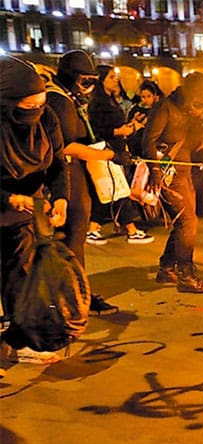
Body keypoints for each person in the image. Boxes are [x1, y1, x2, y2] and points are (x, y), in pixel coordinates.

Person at [46, 50, 127, 316]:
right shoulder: (58, 101)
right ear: (71, 77)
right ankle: (72, 298)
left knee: (76, 238)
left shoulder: (69, 98)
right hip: (66, 176)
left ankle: (78, 294)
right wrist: (108, 155)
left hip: (75, 175)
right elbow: (66, 146)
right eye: (85, 81)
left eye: (93, 80)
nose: (90, 87)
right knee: (72, 238)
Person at [0, 56, 70, 365]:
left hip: (30, 205)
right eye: (27, 107)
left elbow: (57, 163)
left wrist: (61, 199)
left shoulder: (47, 118)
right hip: (6, 200)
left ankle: (22, 337)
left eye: (39, 104)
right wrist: (7, 198)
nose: (35, 112)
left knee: (23, 273)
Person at [141, 72, 203, 293]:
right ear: (187, 95)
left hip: (185, 174)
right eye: (198, 104)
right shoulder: (165, 108)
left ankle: (167, 267)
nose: (200, 109)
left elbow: (194, 144)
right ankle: (186, 275)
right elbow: (148, 141)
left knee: (184, 222)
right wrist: (155, 171)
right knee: (188, 222)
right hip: (169, 175)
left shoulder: (192, 114)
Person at [86, 64, 153, 244]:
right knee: (118, 189)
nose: (116, 80)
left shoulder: (110, 100)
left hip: (116, 149)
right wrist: (125, 130)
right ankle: (131, 230)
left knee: (110, 190)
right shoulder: (98, 103)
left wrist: (129, 128)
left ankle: (94, 228)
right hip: (107, 151)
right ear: (100, 81)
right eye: (111, 77)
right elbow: (101, 129)